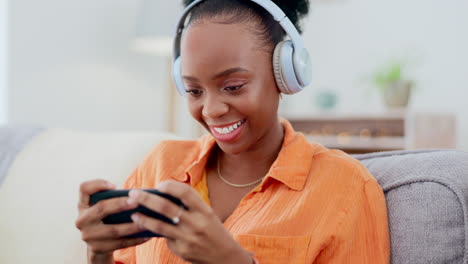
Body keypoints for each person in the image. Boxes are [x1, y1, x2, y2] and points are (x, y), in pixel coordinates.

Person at [75, 0, 390, 263]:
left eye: (233, 86)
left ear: (286, 73)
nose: (211, 110)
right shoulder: (160, 165)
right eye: (194, 91)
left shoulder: (345, 186)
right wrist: (98, 254)